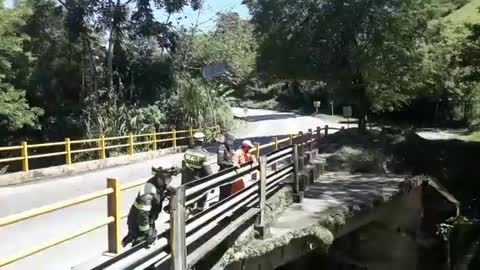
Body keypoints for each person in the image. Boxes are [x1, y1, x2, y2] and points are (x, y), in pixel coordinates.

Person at [122, 166, 181, 248]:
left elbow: (157, 197)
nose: (170, 180)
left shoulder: (158, 185)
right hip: (139, 223)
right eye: (168, 177)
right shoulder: (149, 191)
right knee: (142, 245)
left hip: (148, 220)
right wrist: (146, 232)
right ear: (160, 178)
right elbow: (142, 214)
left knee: (150, 238)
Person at [182, 132, 215, 211]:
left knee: (189, 201)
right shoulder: (204, 155)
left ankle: (187, 212)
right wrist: (213, 183)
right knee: (201, 199)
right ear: (203, 141)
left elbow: (184, 168)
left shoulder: (187, 152)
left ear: (194, 141)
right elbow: (208, 172)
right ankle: (199, 212)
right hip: (199, 182)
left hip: (188, 182)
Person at [217, 132, 237, 200]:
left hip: (229, 173)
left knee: (228, 193)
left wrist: (232, 156)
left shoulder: (228, 147)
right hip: (223, 173)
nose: (232, 141)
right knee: (223, 193)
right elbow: (220, 162)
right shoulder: (221, 147)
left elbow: (227, 158)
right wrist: (231, 164)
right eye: (231, 140)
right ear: (227, 139)